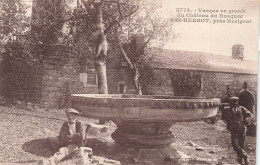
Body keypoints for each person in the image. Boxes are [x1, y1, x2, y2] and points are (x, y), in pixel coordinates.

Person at [222, 97, 253, 165]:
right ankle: (245, 156)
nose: (235, 103)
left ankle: (241, 160)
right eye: (233, 102)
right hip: (234, 129)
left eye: (236, 101)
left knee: (241, 145)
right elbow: (223, 113)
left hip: (242, 128)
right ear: (230, 102)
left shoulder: (241, 108)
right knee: (235, 145)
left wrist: (247, 119)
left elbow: (250, 115)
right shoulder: (226, 109)